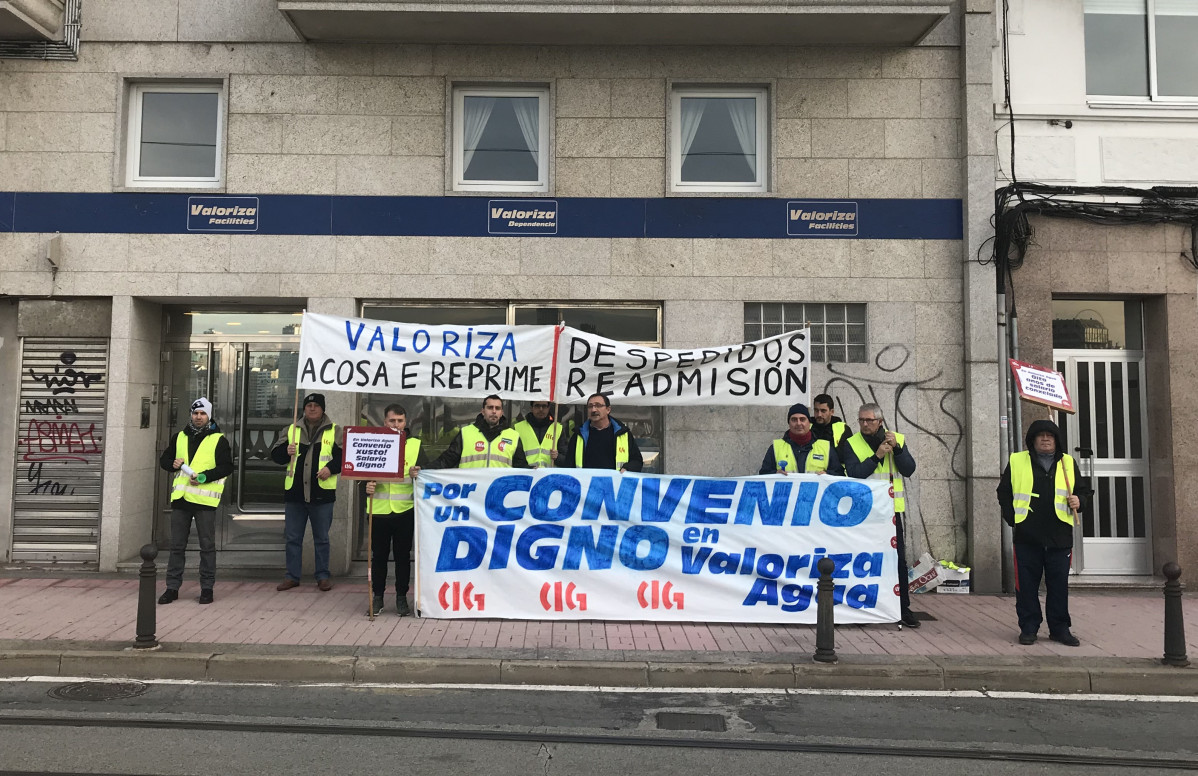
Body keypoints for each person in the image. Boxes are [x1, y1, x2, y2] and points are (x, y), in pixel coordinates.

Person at [997, 419, 1084, 647]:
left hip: (1060, 536)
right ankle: (1028, 627)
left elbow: (1083, 491)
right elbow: (1004, 492)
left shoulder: (1068, 463)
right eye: (1040, 435)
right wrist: (1012, 518)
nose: (1045, 439)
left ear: (1057, 440)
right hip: (1028, 535)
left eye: (1050, 435)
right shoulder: (1017, 461)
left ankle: (1060, 629)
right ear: (1032, 440)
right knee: (1026, 586)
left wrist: (1079, 500)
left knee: (1058, 586)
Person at [841, 403, 919, 628]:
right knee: (861, 560)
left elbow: (909, 469)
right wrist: (876, 457)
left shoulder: (897, 439)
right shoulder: (851, 443)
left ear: (880, 422)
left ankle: (903, 608)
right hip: (863, 512)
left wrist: (898, 450)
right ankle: (861, 607)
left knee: (897, 562)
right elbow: (855, 474)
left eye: (869, 420)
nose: (865, 424)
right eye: (861, 420)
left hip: (891, 513)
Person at [157, 397, 233, 605]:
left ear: (209, 416)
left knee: (207, 546)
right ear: (191, 414)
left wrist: (203, 477)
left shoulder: (218, 439)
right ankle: (172, 588)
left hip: (204, 501)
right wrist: (172, 463)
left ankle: (207, 588)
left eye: (203, 414)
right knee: (177, 546)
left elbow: (227, 467)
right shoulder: (179, 437)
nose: (198, 417)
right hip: (181, 500)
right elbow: (165, 461)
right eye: (195, 413)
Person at [270, 392, 342, 592]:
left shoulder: (335, 431)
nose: (312, 409)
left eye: (316, 406)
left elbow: (344, 456)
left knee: (322, 538)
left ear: (323, 408)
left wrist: (331, 468)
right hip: (295, 494)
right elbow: (275, 455)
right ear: (303, 408)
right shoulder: (291, 429)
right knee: (293, 538)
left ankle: (323, 576)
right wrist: (286, 451)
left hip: (322, 495)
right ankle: (292, 576)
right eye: (308, 406)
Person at [364, 404, 428, 617]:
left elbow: (428, 473)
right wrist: (365, 485)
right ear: (385, 422)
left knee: (402, 557)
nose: (396, 425)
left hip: (404, 509)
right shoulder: (373, 441)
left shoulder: (416, 445)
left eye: (400, 421)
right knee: (378, 557)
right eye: (392, 421)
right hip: (378, 509)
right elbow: (360, 469)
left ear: (406, 422)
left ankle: (402, 597)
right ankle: (378, 597)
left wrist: (418, 472)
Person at [416, 394, 529, 470]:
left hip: (497, 495)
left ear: (501, 412)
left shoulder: (513, 436)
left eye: (497, 408)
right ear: (483, 411)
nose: (494, 411)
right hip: (471, 497)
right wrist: (423, 470)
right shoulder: (466, 433)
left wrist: (534, 473)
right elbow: (447, 460)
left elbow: (521, 467)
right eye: (490, 408)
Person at [558, 394, 644, 472]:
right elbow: (569, 465)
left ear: (608, 409)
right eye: (590, 406)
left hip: (615, 486)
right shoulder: (578, 436)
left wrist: (627, 468)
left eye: (598, 405)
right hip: (586, 487)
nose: (593, 410)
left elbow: (637, 461)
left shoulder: (623, 434)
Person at [758, 402, 843, 476]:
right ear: (789, 423)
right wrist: (775, 475)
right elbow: (763, 475)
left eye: (802, 419)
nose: (798, 423)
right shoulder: (776, 448)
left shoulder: (826, 448)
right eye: (794, 420)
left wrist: (827, 475)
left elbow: (839, 475)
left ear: (809, 422)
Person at [513, 400, 563, 468]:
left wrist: (558, 457)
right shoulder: (518, 428)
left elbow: (567, 460)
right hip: (527, 475)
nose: (541, 409)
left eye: (544, 406)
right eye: (537, 406)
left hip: (550, 476)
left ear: (548, 408)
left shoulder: (557, 428)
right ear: (531, 408)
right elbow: (514, 459)